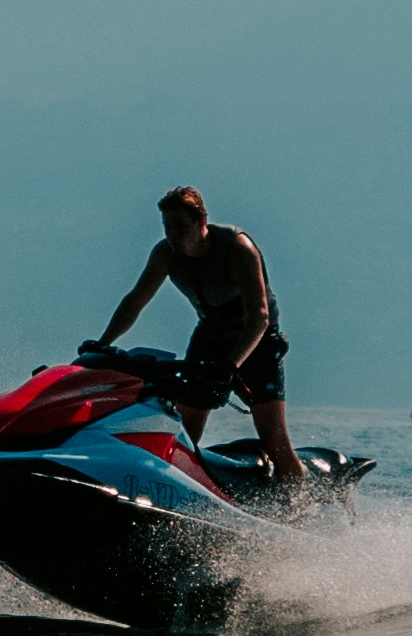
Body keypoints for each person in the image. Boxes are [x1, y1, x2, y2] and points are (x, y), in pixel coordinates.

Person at [94, 184, 300, 479]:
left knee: (274, 440)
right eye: (166, 226)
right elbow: (135, 300)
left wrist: (231, 365)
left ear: (201, 221)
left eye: (179, 226)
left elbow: (260, 317)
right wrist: (103, 344)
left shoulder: (237, 248)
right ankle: (179, 493)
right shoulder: (165, 254)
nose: (172, 234)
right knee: (184, 433)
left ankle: (299, 510)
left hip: (256, 343)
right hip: (211, 337)